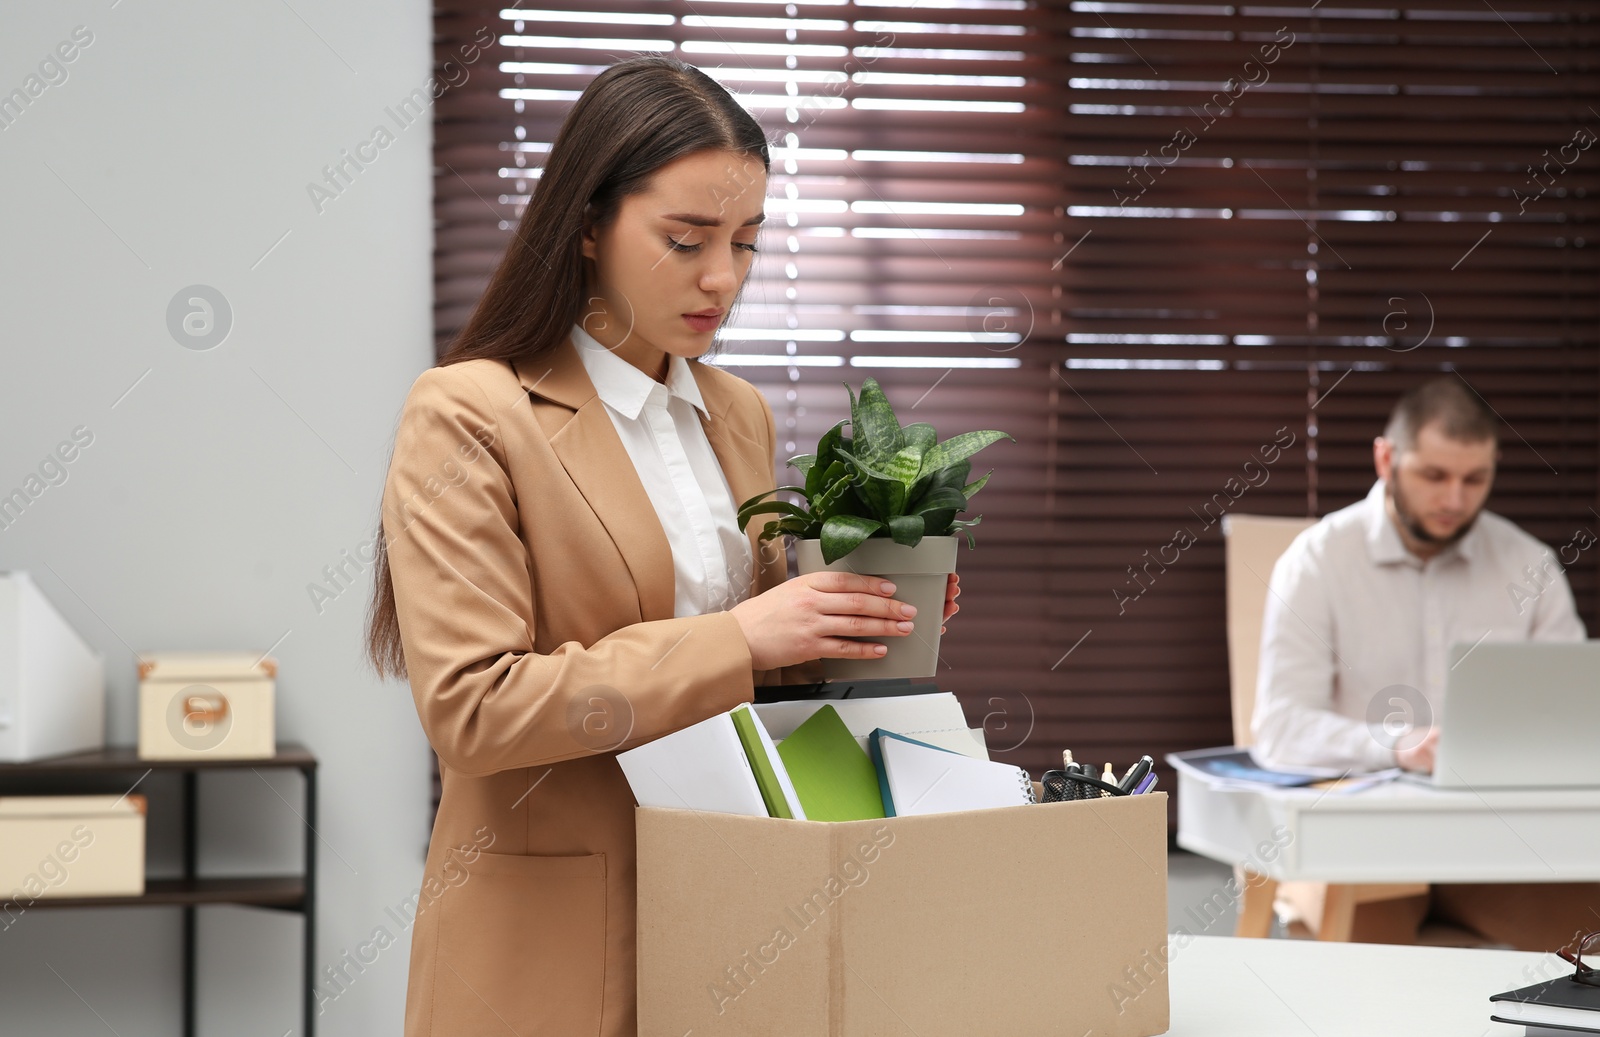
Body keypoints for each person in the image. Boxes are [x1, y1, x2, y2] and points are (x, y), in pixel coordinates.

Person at [363, 56, 961, 1037]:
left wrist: (858, 613)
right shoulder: (470, 411)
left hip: (734, 916)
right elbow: (475, 709)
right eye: (684, 240)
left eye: (746, 242)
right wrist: (744, 635)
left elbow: (765, 679)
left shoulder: (736, 414)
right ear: (589, 224)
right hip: (547, 945)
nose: (721, 277)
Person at [1251, 375, 1594, 949]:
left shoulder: (1529, 564)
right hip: (1361, 849)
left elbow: (1578, 722)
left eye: (1475, 479)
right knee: (1374, 989)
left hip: (1499, 845)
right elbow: (1280, 730)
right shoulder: (1316, 563)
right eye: (1434, 476)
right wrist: (1397, 744)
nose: (1455, 500)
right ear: (1386, 459)